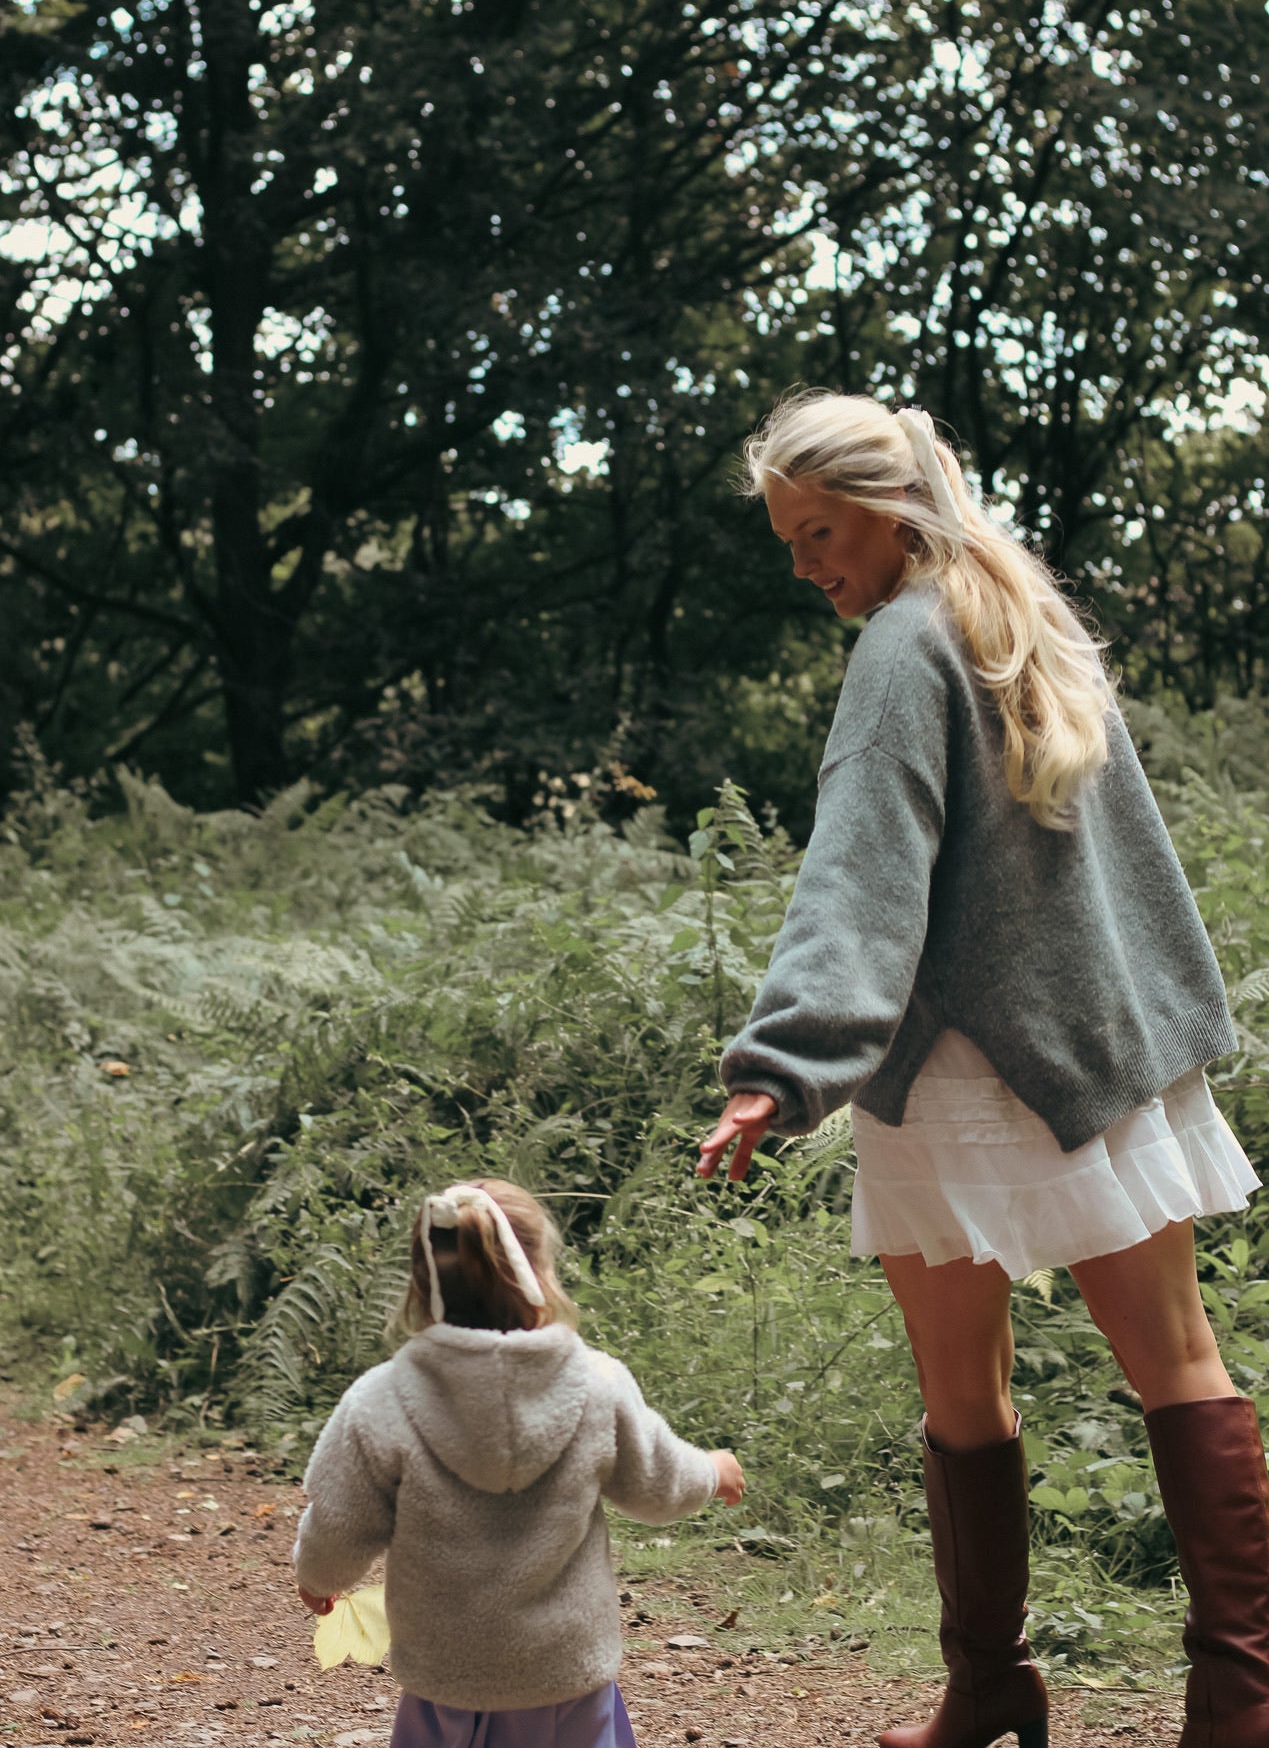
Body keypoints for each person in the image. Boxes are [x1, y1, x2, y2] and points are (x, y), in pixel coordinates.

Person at [696, 392, 1267, 1748]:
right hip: (1098, 1056)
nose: (805, 565)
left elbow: (861, 865)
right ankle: (1240, 1696)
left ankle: (994, 1683)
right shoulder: (1023, 615)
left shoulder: (904, 642)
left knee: (965, 1392)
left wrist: (781, 1066)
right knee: (1178, 1362)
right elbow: (1127, 872)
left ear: (886, 511)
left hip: (963, 1069)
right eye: (787, 540)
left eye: (817, 530)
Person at [293, 1177, 745, 1748]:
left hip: (445, 1678)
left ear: (421, 1281)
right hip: (565, 1673)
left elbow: (340, 1520)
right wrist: (712, 1470)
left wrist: (317, 1577)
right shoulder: (596, 1386)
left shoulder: (379, 1401)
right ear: (539, 1274)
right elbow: (656, 1484)